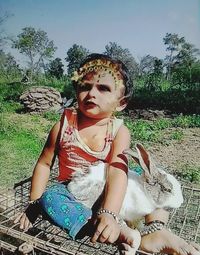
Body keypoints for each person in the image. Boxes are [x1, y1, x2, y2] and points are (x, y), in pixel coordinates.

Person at [15, 53, 200, 255]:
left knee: (155, 180)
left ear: (121, 102)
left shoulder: (119, 131)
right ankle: (116, 231)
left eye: (103, 88)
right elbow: (44, 164)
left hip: (111, 189)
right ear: (77, 90)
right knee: (50, 197)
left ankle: (157, 228)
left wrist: (109, 211)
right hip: (77, 192)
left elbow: (117, 171)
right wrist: (34, 203)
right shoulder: (62, 126)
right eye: (85, 86)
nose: (92, 93)